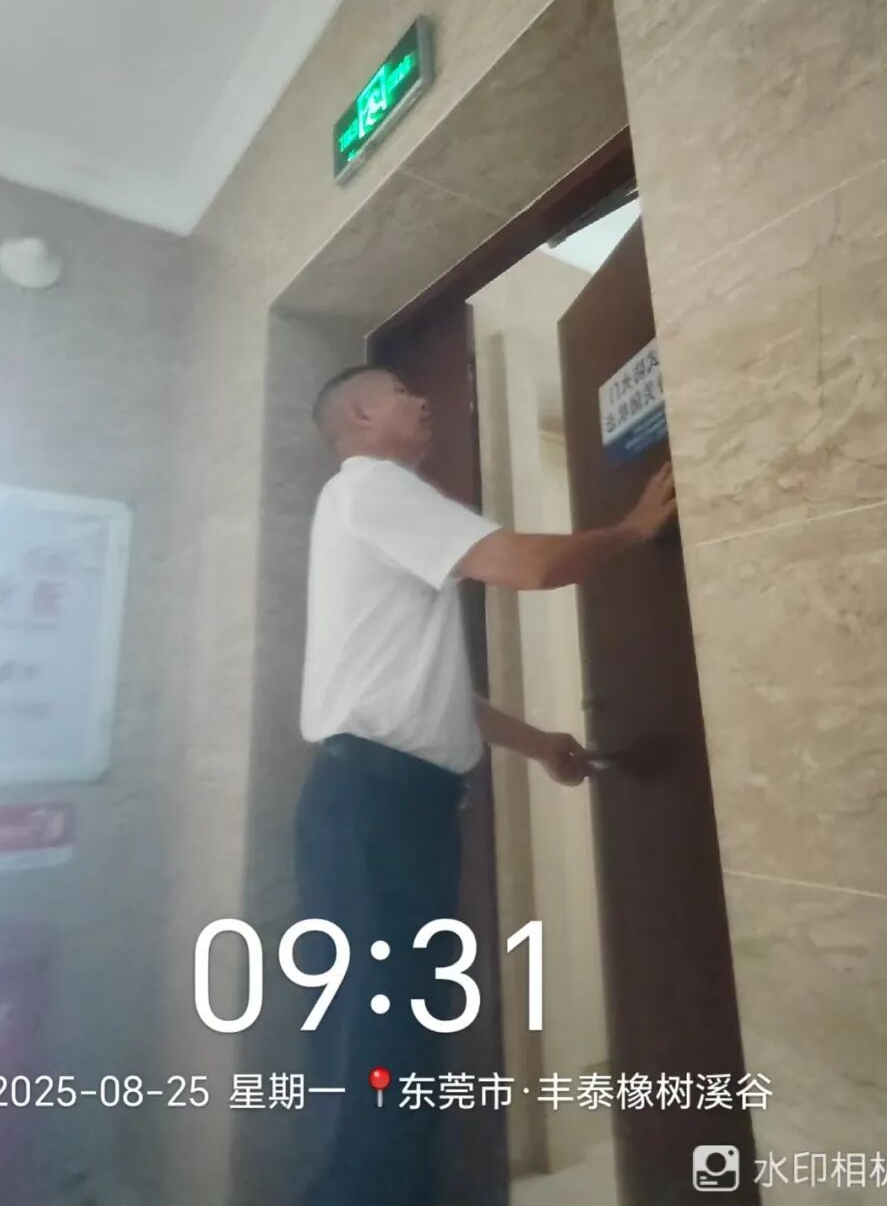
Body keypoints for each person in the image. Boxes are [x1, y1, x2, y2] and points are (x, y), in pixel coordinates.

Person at [294, 365, 677, 1206]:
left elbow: (427, 695)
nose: (421, 400)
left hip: (384, 807)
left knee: (393, 1048)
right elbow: (529, 566)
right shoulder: (373, 487)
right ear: (360, 413)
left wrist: (536, 743)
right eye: (401, 391)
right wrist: (631, 530)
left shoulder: (368, 510)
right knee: (380, 1058)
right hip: (376, 811)